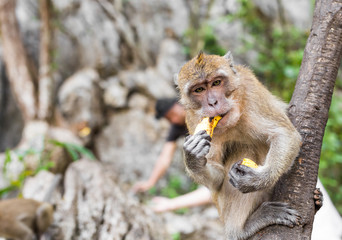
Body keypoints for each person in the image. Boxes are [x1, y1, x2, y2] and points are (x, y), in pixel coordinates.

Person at [132, 97, 212, 212]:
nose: (173, 120)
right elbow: (165, 157)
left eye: (172, 115)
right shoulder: (177, 126)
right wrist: (150, 182)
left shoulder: (200, 110)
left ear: (178, 105)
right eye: (168, 119)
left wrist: (171, 204)